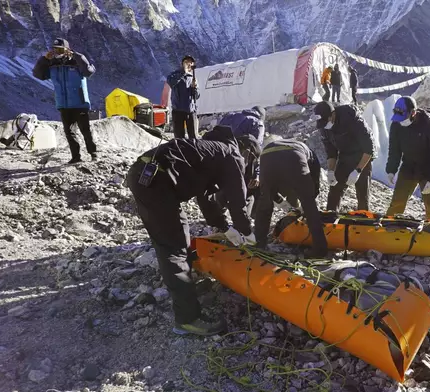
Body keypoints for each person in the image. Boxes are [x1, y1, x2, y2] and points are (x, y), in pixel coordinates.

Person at [126, 125, 255, 336]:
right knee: (172, 247)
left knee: (178, 234)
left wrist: (224, 226)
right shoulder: (230, 154)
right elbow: (237, 200)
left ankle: (185, 280)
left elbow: (205, 199)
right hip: (158, 181)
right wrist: (247, 232)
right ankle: (187, 319)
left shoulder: (207, 151)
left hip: (144, 175)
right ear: (244, 148)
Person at [254, 139, 327, 258]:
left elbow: (268, 189)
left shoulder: (286, 145)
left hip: (267, 155)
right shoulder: (311, 155)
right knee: (309, 204)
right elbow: (314, 183)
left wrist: (280, 202)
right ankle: (320, 249)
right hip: (294, 156)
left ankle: (259, 243)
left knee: (264, 203)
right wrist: (308, 201)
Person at [32, 38, 97, 164]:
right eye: (55, 49)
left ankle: (93, 153)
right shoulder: (52, 65)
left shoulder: (76, 62)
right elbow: (38, 74)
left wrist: (77, 56)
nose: (57, 51)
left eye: (60, 49)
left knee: (85, 131)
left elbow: (89, 72)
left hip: (80, 104)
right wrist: (44, 59)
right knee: (69, 133)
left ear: (67, 49)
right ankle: (76, 157)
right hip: (64, 104)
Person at [385, 96, 430, 221]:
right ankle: (389, 227)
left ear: (413, 113)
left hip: (428, 169)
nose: (401, 122)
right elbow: (394, 149)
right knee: (397, 201)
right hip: (408, 166)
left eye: (404, 118)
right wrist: (391, 169)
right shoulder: (396, 125)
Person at [313, 101, 375, 211]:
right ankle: (330, 219)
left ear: (332, 114)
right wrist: (331, 171)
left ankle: (364, 223)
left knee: (362, 195)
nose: (324, 126)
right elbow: (331, 151)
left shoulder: (352, 120)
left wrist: (358, 171)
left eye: (325, 121)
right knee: (334, 190)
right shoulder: (324, 128)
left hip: (362, 156)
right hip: (344, 156)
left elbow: (369, 148)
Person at [202, 133, 262, 230]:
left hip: (246, 182)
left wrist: (257, 177)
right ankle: (219, 223)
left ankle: (243, 224)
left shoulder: (253, 153)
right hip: (227, 181)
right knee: (221, 197)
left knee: (248, 199)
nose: (247, 157)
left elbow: (258, 165)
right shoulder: (228, 153)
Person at [167, 55, 199, 139]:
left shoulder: (193, 78)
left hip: (190, 111)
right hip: (178, 111)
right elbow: (170, 82)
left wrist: (195, 88)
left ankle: (194, 151)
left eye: (191, 63)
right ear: (182, 64)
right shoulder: (174, 74)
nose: (189, 64)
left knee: (193, 137)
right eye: (187, 62)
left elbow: (197, 96)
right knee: (179, 137)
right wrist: (182, 72)